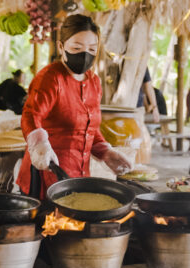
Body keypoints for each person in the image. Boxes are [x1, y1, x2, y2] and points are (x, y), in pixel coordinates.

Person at [17, 14, 131, 199]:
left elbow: (89, 127)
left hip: (79, 176)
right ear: (61, 47)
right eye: (77, 47)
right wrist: (39, 146)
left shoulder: (94, 82)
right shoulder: (51, 78)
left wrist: (106, 152)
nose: (85, 54)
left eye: (92, 49)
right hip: (46, 175)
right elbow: (31, 115)